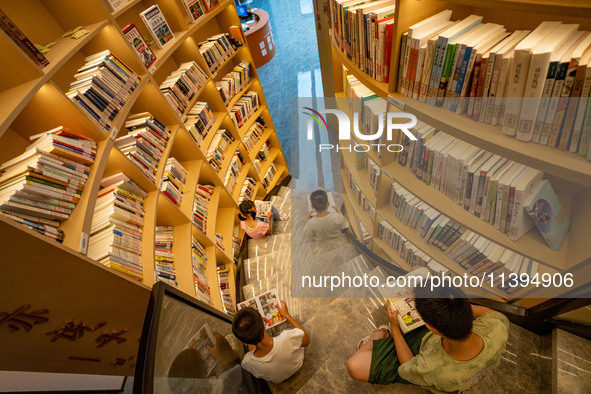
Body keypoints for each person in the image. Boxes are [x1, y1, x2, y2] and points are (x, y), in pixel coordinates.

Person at [347, 281, 510, 393]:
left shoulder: (433, 369)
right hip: (448, 347)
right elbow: (491, 313)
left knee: (354, 365)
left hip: (427, 360)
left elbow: (408, 365)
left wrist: (395, 328)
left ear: (431, 327)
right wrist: (451, 308)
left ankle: (381, 335)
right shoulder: (498, 325)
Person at [232, 301, 311, 383]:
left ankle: (257, 335)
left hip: (278, 380)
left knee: (258, 337)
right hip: (297, 363)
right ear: (263, 321)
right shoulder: (287, 338)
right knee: (283, 325)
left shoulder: (246, 361)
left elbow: (252, 350)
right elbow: (306, 341)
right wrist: (286, 314)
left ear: (242, 342)